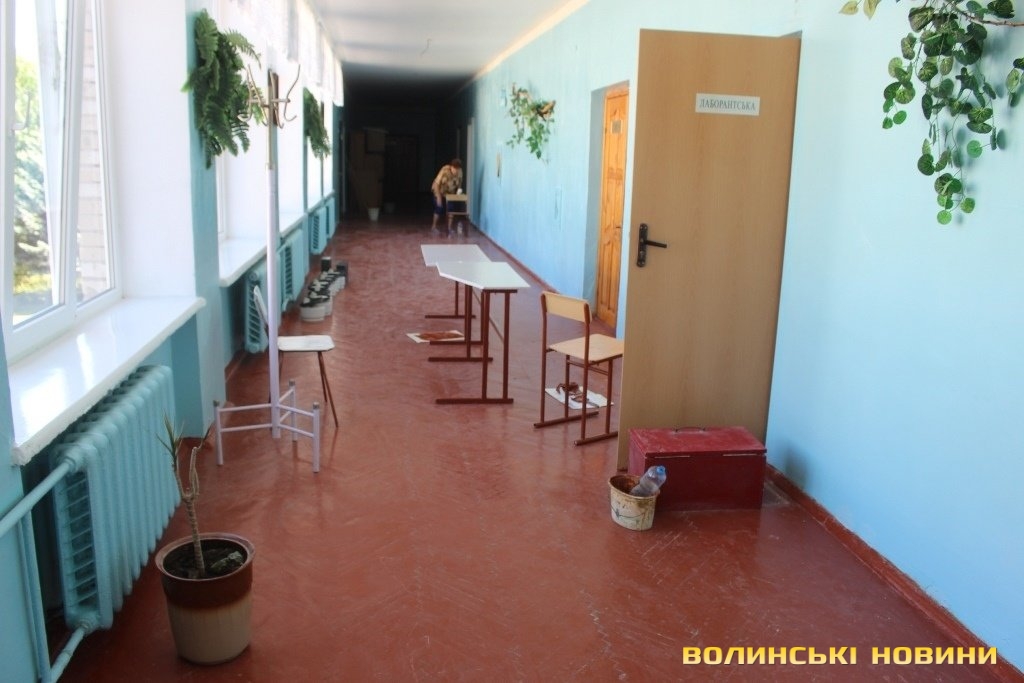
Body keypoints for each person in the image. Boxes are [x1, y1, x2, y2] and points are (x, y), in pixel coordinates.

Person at [430, 158, 463, 232]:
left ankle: (449, 228)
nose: (456, 171)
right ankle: (433, 227)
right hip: (438, 190)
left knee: (451, 209)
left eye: (457, 169)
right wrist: (438, 197)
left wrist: (458, 192)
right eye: (454, 169)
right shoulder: (445, 170)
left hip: (450, 192)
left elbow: (459, 184)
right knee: (439, 207)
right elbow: (436, 184)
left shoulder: (460, 172)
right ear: (451, 167)